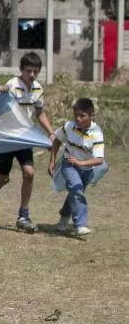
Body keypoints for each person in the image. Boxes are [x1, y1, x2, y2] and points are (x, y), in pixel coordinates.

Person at [0, 52, 55, 232]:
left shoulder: (37, 89)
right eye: (28, 70)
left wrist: (51, 132)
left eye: (35, 71)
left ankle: (23, 215)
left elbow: (40, 113)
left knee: (29, 173)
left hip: (25, 137)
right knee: (3, 177)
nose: (32, 74)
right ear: (21, 70)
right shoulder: (12, 85)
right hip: (6, 137)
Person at [49, 98, 105, 237]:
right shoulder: (69, 126)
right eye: (76, 115)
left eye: (82, 116)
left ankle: (63, 217)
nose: (78, 119)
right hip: (69, 163)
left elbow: (98, 160)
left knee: (75, 191)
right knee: (77, 189)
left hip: (87, 168)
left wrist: (81, 163)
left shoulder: (96, 133)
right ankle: (80, 225)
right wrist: (52, 161)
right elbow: (56, 140)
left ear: (91, 116)